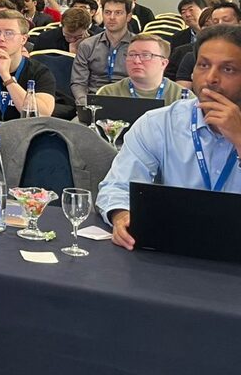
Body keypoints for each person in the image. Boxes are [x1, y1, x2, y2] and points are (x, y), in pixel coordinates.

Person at [96, 25, 241, 251]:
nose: (211, 78)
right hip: (173, 247)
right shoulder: (159, 123)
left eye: (228, 69)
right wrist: (122, 214)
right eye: (203, 65)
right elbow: (117, 186)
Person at [72, 0, 135, 107]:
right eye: (107, 12)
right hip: (94, 102)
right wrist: (84, 104)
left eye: (118, 13)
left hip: (128, 102)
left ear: (128, 16)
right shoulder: (87, 45)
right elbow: (78, 83)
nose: (111, 17)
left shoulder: (138, 46)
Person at [95, 34, 184, 105]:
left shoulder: (182, 97)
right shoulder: (108, 94)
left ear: (163, 63)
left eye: (146, 55)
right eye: (132, 55)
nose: (137, 61)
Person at [174, 3, 240, 87]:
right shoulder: (193, 56)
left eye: (226, 20)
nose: (220, 25)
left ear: (239, 22)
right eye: (215, 22)